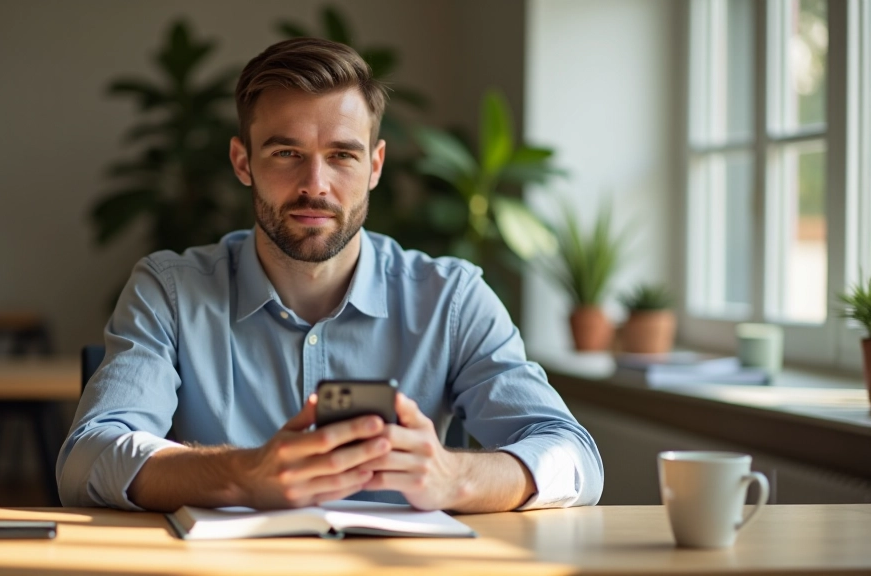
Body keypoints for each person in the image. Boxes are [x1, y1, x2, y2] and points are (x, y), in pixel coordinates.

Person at [57, 37, 602, 513]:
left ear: (376, 165)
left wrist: (454, 476)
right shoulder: (169, 291)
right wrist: (244, 474)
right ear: (243, 162)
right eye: (287, 152)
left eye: (342, 155)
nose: (315, 184)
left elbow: (572, 455)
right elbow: (88, 457)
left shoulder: (451, 297)